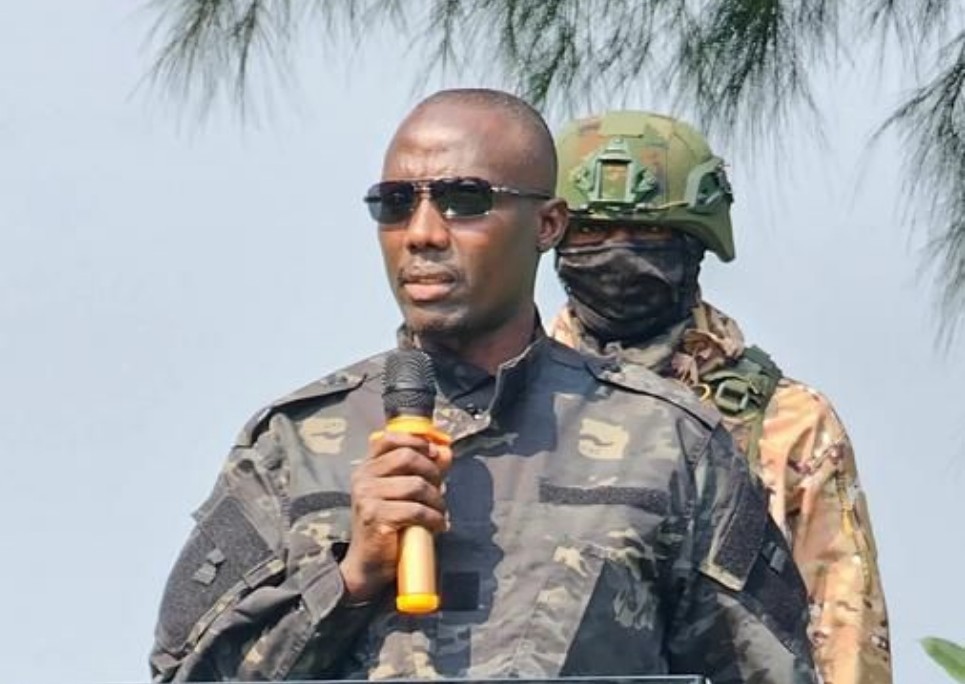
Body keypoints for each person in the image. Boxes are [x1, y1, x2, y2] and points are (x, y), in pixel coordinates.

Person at [150, 89, 818, 683]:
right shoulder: (294, 446)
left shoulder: (668, 442)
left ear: (548, 225)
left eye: (463, 201)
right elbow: (184, 674)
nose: (422, 234)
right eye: (395, 204)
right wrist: (351, 579)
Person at [548, 110, 891, 684]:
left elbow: (845, 632)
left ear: (695, 242)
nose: (616, 252)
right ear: (551, 235)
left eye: (647, 234)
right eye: (590, 232)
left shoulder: (784, 423)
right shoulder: (510, 400)